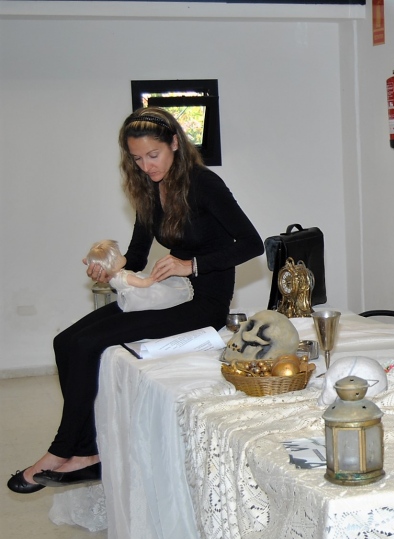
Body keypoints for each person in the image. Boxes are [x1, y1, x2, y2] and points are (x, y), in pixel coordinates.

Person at [7, 107, 263, 494]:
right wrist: (110, 269)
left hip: (203, 304)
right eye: (137, 158)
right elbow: (137, 257)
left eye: (153, 155)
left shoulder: (204, 184)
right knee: (66, 341)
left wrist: (191, 264)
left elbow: (251, 243)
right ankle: (88, 451)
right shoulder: (148, 188)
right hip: (168, 294)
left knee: (89, 344)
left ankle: (62, 451)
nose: (146, 166)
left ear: (174, 143)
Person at [85, 239, 194, 312]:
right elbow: (143, 283)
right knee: (164, 293)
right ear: (111, 264)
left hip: (130, 300)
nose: (122, 257)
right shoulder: (124, 277)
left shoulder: (115, 279)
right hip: (143, 297)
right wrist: (154, 278)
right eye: (118, 257)